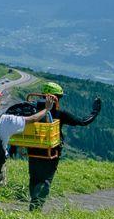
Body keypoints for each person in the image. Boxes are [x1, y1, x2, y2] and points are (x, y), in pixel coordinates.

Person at [7, 80, 102, 210]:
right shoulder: (60, 114)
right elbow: (82, 122)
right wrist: (95, 111)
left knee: (34, 177)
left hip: (33, 149)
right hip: (51, 151)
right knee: (46, 178)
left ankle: (34, 203)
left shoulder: (30, 111)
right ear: (56, 98)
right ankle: (36, 206)